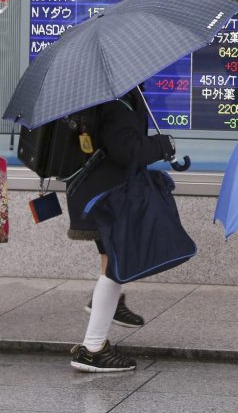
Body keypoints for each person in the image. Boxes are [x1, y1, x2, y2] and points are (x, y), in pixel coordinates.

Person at [66, 85, 175, 372]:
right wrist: (164, 145)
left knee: (112, 263)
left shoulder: (98, 93)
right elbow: (127, 150)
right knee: (114, 264)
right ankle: (92, 349)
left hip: (95, 193)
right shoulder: (115, 100)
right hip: (107, 196)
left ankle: (99, 323)